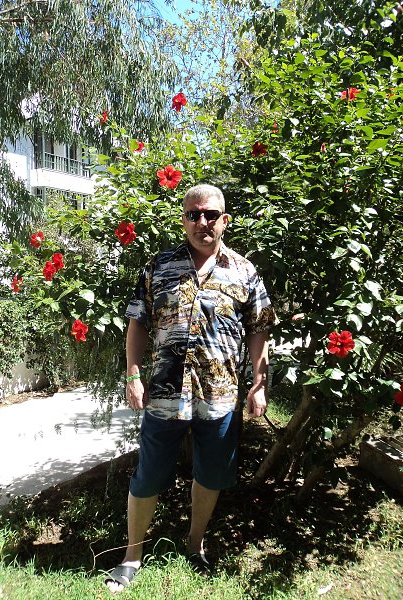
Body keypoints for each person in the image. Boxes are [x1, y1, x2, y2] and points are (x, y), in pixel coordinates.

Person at [105, 184, 275, 592]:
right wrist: (132, 375)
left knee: (211, 475)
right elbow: (137, 323)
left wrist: (259, 382)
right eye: (194, 214)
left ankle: (195, 544)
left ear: (224, 220)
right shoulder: (159, 266)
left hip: (220, 396)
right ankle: (132, 555)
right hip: (164, 395)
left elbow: (259, 329)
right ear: (184, 220)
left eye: (211, 215)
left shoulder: (245, 271)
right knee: (148, 475)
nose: (203, 222)